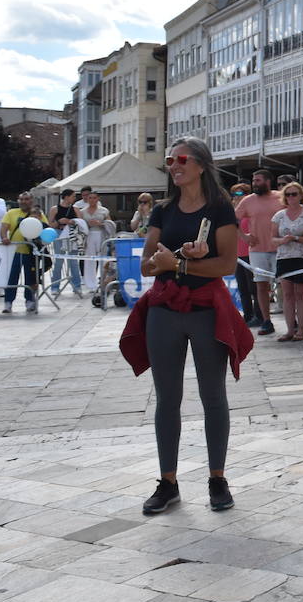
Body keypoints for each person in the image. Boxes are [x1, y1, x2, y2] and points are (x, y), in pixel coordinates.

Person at [119, 137, 253, 517]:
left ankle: (217, 478)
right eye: (169, 160)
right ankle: (168, 481)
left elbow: (226, 265)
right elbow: (147, 265)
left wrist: (179, 264)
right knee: (166, 398)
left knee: (213, 395)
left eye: (181, 159)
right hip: (164, 309)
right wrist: (178, 258)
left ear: (200, 165)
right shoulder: (162, 209)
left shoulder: (220, 208)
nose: (173, 166)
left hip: (206, 308)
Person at [236, 170, 283, 336]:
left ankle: (293, 321)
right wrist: (244, 236)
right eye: (253, 180)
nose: (254, 183)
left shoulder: (281, 196)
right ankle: (266, 321)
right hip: (257, 250)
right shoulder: (248, 201)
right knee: (261, 287)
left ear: (268, 181)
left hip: (281, 249)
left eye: (258, 180)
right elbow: (233, 220)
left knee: (287, 286)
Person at [269, 182, 303, 342]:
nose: (291, 197)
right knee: (287, 295)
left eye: (294, 194)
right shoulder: (279, 216)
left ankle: (301, 330)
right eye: (288, 194)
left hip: (302, 257)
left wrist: (296, 238)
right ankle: (290, 329)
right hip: (284, 257)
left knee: (300, 294)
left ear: (301, 195)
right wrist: (282, 241)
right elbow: (273, 238)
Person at [0, 192, 48, 313]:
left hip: (30, 252)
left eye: (26, 199)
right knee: (11, 278)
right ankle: (8, 302)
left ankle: (30, 301)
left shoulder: (37, 214)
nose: (23, 202)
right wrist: (4, 237)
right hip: (14, 252)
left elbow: (46, 228)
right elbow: (4, 227)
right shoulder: (11, 213)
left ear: (31, 200)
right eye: (21, 199)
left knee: (30, 278)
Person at [229, 183, 258, 326]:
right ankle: (248, 315)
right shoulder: (233, 214)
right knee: (243, 288)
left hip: (251, 253)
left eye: (239, 194)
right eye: (234, 194)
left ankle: (259, 316)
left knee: (254, 287)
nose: (236, 197)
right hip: (237, 255)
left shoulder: (250, 213)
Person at [76, 187, 111, 303]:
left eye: (94, 198)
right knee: (89, 259)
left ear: (98, 199)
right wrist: (87, 225)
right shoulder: (82, 211)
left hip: (101, 234)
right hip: (89, 235)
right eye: (89, 198)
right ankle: (90, 283)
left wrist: (100, 224)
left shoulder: (104, 211)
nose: (91, 200)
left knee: (103, 257)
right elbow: (79, 225)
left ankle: (103, 280)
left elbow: (110, 224)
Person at [48, 188, 84, 296]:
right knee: (59, 261)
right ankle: (55, 286)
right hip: (59, 233)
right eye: (73, 196)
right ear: (67, 197)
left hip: (72, 235)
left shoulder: (76, 209)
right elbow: (50, 224)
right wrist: (59, 221)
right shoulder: (55, 209)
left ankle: (77, 286)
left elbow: (81, 223)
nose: (74, 198)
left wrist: (69, 221)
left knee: (73, 261)